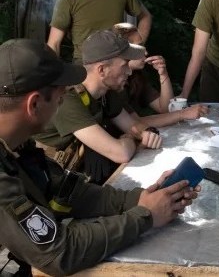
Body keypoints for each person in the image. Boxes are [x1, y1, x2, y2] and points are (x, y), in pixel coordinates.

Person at [0, 38, 199, 276]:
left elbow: (69, 191)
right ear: (34, 104)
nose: (63, 100)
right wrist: (145, 216)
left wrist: (142, 199)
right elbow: (58, 251)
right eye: (59, 96)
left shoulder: (17, 145)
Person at [35, 30, 163, 185]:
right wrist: (129, 138)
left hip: (69, 172)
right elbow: (121, 153)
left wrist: (146, 133)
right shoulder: (67, 99)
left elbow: (134, 126)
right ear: (102, 70)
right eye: (124, 65)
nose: (129, 72)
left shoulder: (106, 92)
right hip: (44, 178)